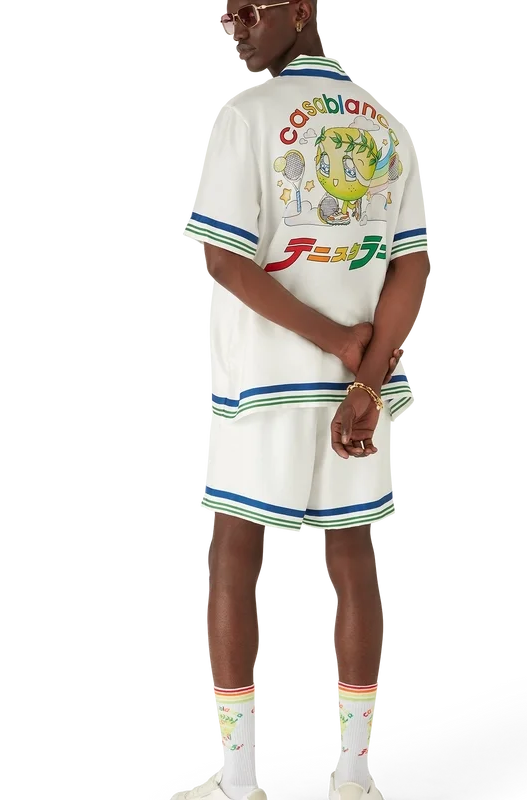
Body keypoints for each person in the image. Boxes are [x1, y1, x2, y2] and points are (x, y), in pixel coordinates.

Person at [174, 2, 431, 799]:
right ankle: (354, 774)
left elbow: (225, 260)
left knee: (234, 551)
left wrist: (340, 344)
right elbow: (410, 267)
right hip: (360, 389)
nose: (236, 30)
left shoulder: (247, 113)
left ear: (298, 10)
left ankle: (237, 775)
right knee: (352, 555)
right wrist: (367, 378)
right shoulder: (386, 119)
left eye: (251, 12)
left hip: (264, 382)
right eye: (228, 16)